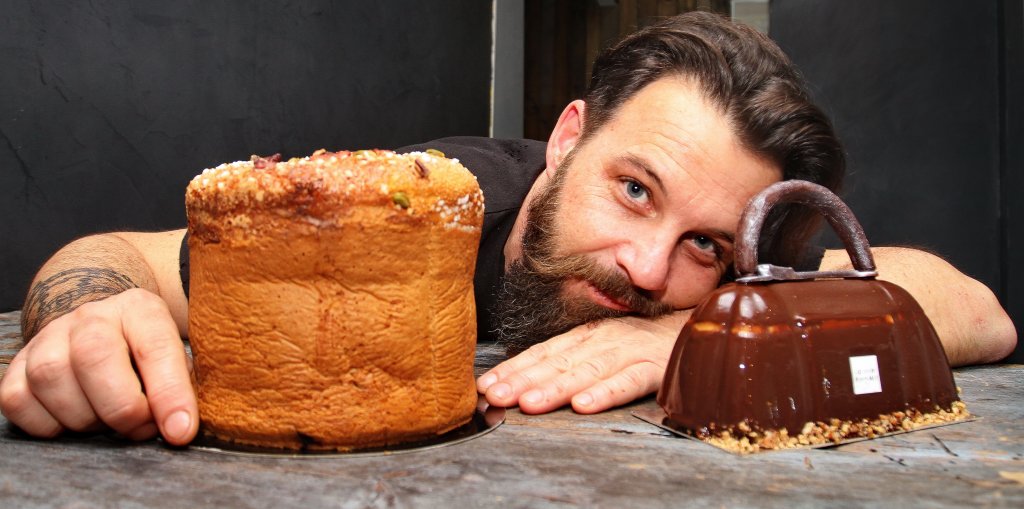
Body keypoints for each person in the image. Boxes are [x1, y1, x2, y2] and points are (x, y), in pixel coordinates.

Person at [1, 12, 1015, 446]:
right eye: (632, 189)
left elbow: (974, 308)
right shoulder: (430, 209)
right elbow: (115, 254)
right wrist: (92, 312)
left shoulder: (724, 269)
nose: (648, 266)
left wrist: (693, 332)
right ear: (568, 138)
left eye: (703, 245)